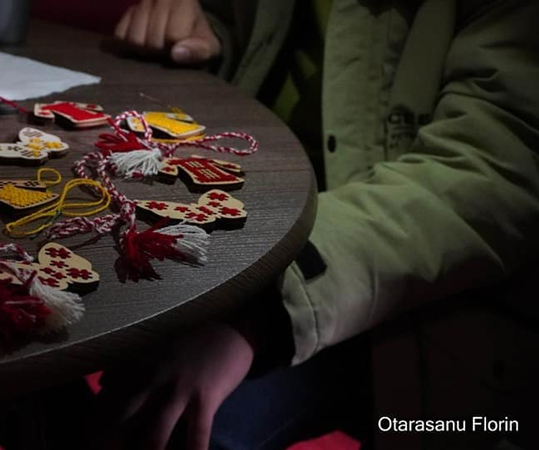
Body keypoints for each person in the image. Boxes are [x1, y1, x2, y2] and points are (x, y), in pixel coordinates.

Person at [93, 0, 539, 448]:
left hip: (408, 293)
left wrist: (257, 313)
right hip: (257, 224)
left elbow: (493, 174)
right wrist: (204, 33)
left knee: (175, 421)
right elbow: (243, 31)